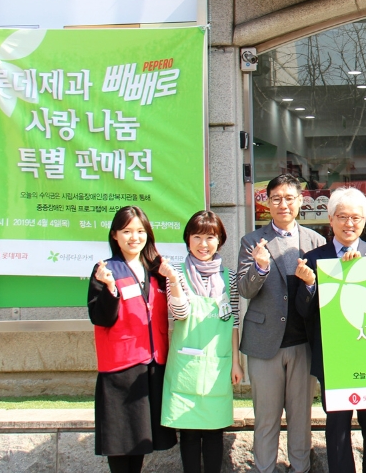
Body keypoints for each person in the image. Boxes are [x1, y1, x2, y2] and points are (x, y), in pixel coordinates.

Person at [237, 174, 325, 473]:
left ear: (301, 201)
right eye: (276, 198)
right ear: (267, 202)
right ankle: (265, 469)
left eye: (289, 198)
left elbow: (321, 296)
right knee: (266, 418)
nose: (283, 204)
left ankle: (300, 469)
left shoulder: (316, 241)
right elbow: (245, 290)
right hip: (265, 344)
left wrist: (311, 284)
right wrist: (260, 266)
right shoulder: (251, 242)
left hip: (303, 344)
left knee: (301, 419)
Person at [298, 187, 366, 473]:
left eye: (356, 218)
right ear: (330, 218)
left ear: (365, 221)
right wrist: (310, 285)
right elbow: (303, 312)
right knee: (337, 428)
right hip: (334, 359)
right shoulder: (313, 258)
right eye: (343, 217)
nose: (349, 224)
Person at [88, 206, 178, 473]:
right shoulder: (105, 270)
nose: (134, 237)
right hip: (120, 368)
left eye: (140, 231)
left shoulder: (156, 269)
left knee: (141, 441)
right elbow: (99, 316)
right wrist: (110, 289)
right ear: (115, 235)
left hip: (152, 365)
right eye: (127, 231)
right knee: (120, 442)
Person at [162, 210, 244, 473]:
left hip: (217, 365)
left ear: (219, 240)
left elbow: (233, 321)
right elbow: (180, 314)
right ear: (188, 240)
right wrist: (174, 281)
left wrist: (236, 362)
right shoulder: (176, 274)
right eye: (197, 236)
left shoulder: (228, 277)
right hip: (186, 365)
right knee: (188, 433)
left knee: (213, 431)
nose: (203, 244)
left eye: (210, 237)